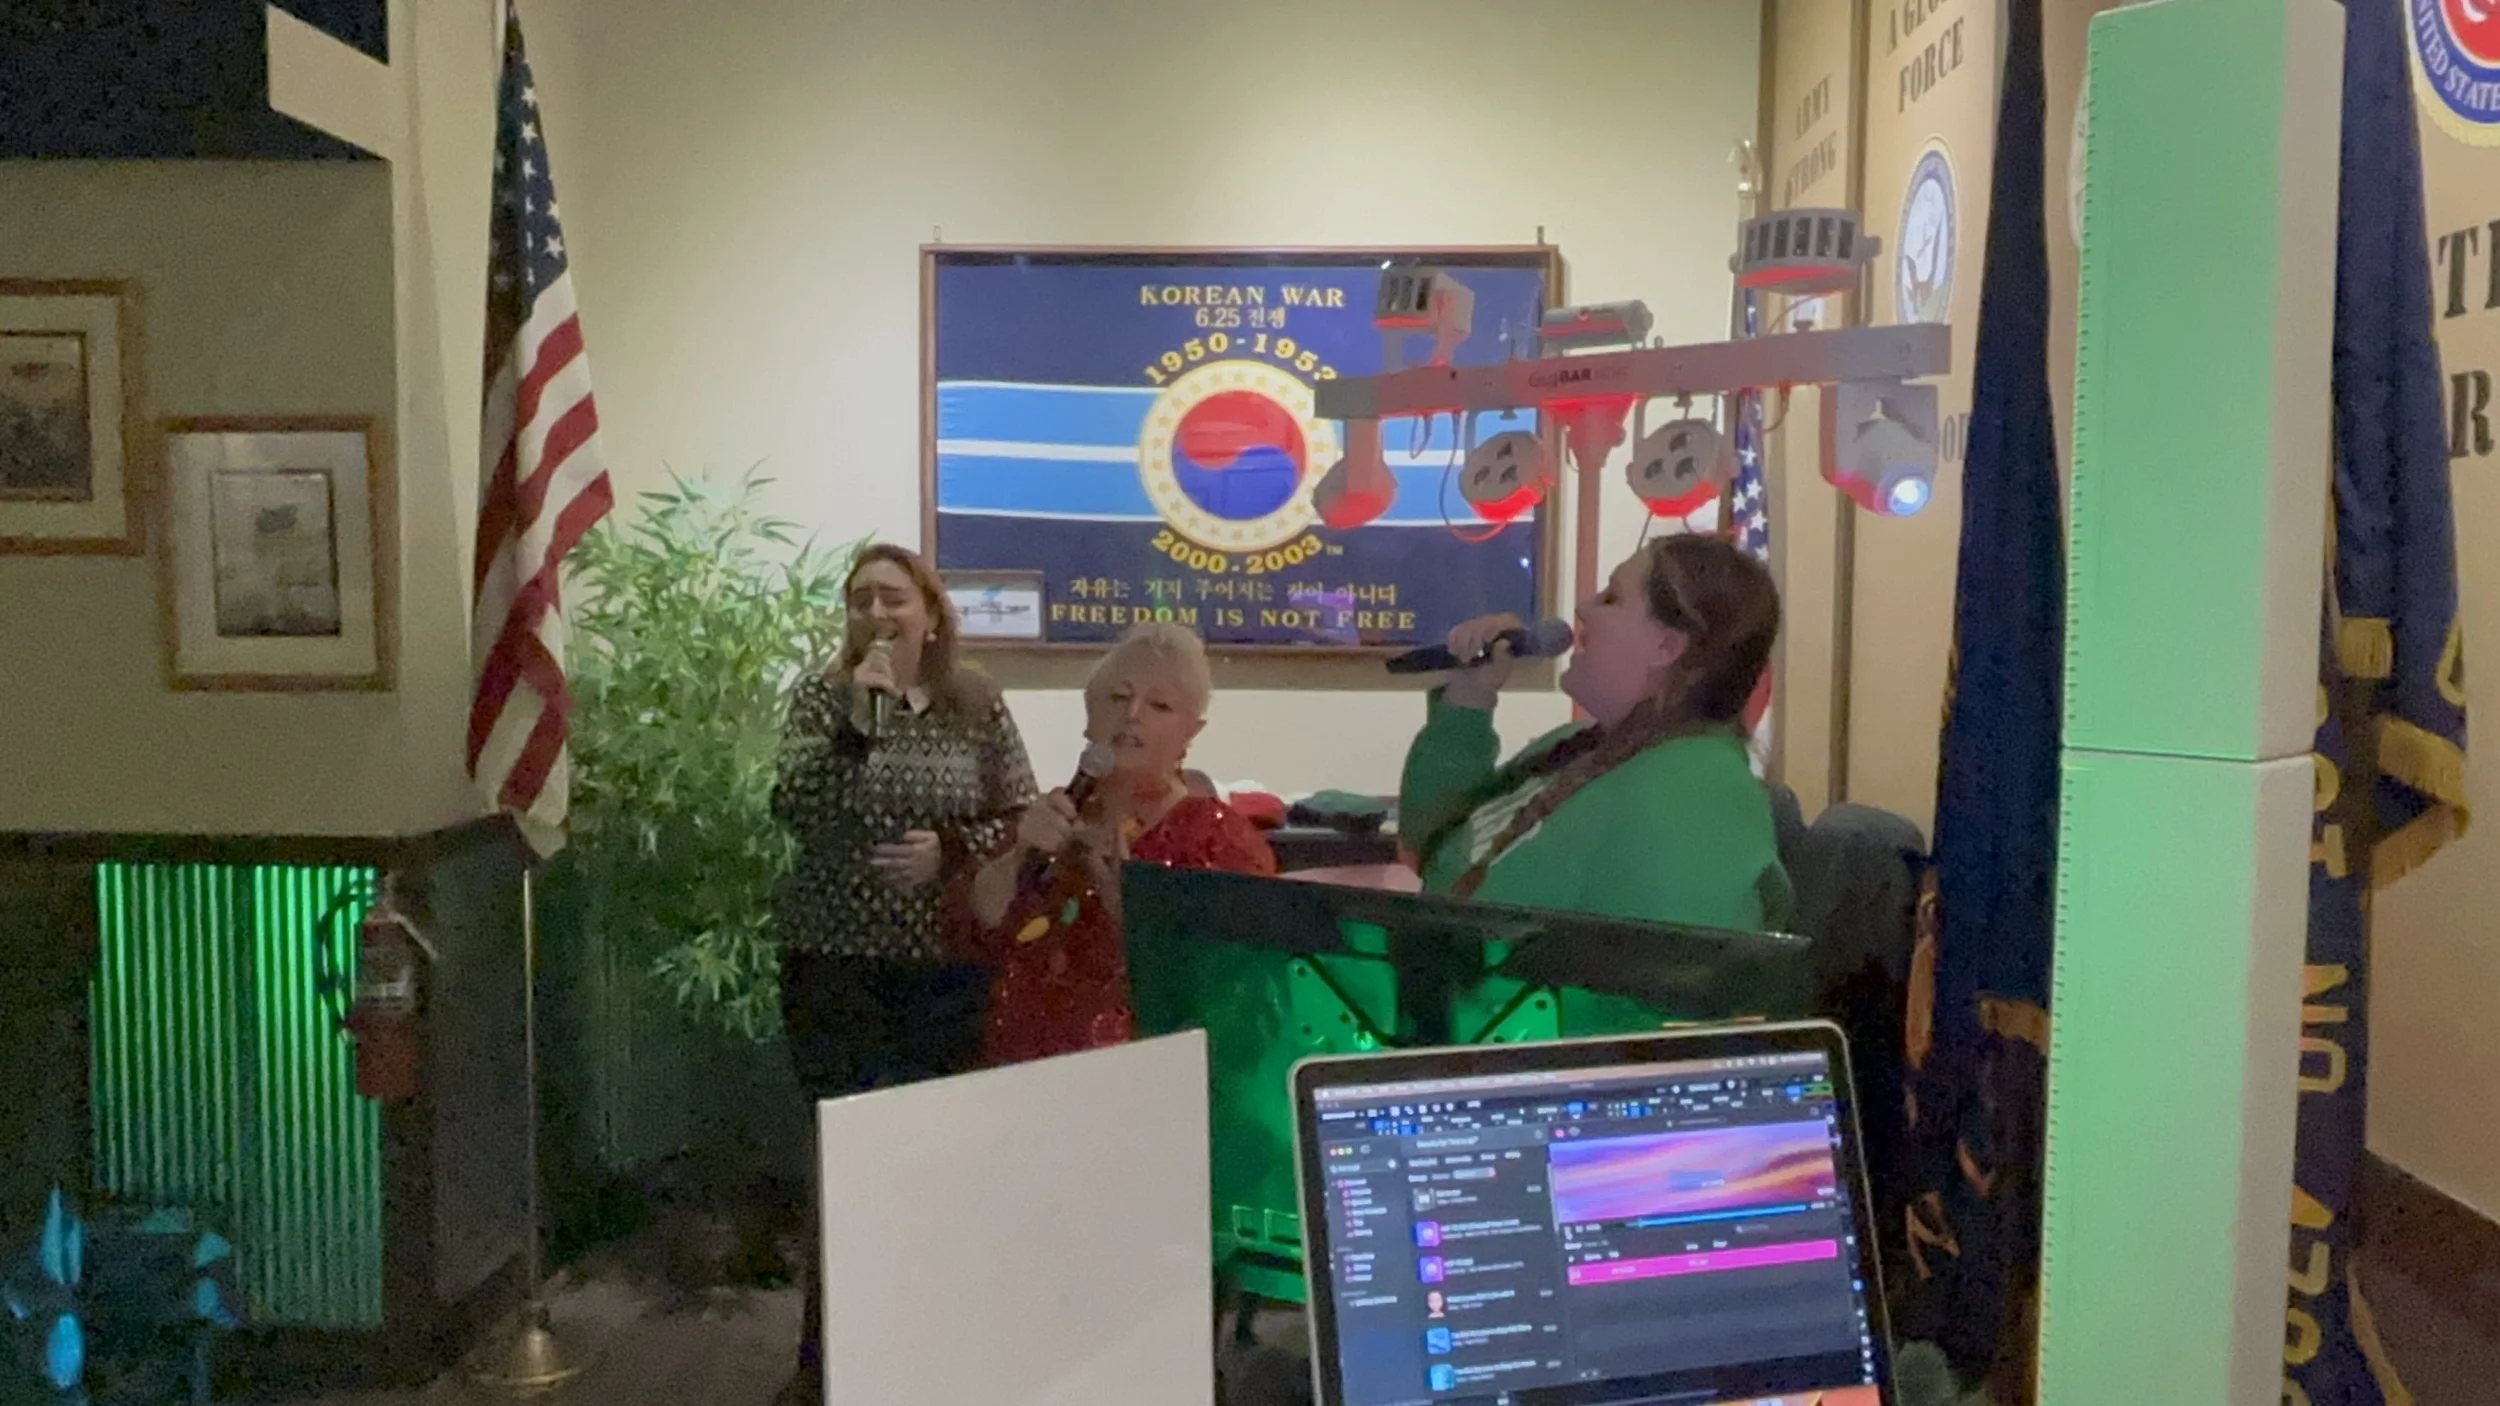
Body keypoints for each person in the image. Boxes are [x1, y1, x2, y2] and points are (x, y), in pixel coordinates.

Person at [768, 542, 1037, 1402]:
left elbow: (1022, 818)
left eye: (892, 599)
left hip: (945, 975)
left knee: (937, 1176)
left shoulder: (976, 703)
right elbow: (794, 807)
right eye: (859, 602)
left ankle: (933, 1368)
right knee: (846, 1176)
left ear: (930, 612)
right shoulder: (822, 698)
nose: (875, 617)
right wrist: (858, 721)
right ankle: (831, 1376)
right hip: (835, 971)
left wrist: (950, 850)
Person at [1400, 532, 1791, 931]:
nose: (1583, 609)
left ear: (1666, 646)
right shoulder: (1577, 746)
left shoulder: (1697, 796)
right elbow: (1428, 849)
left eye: (1611, 598)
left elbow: (1660, 980)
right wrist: (1469, 696)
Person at [960, 620, 1275, 1065]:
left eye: (1160, 705)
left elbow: (1237, 1003)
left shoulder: (1224, 843)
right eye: (1119, 697)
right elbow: (973, 932)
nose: (1133, 715)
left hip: (1150, 1085)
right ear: (1090, 716)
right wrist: (1018, 856)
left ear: (1191, 733)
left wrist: (1128, 908)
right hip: (1020, 1079)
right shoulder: (1051, 817)